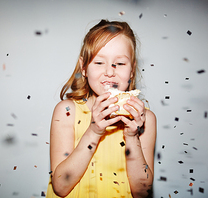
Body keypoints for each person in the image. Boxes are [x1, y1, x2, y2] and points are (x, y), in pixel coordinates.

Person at [46, 19, 157, 198]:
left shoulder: (145, 119)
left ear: (132, 70)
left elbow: (142, 192)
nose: (110, 71)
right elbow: (60, 186)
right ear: (84, 67)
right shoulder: (66, 112)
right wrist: (94, 131)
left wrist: (132, 136)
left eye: (120, 64)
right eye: (99, 63)